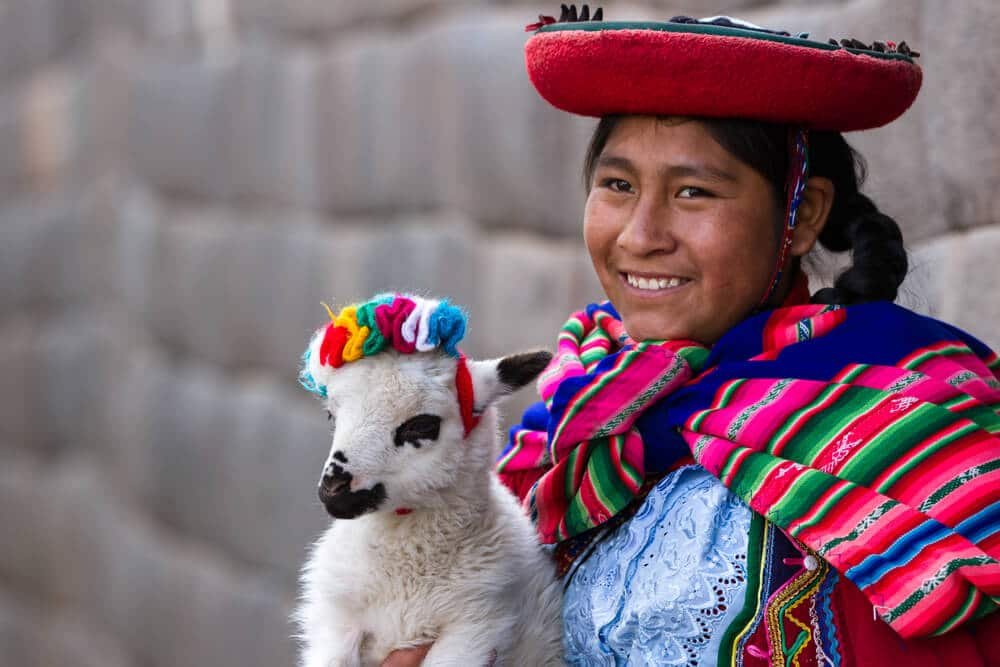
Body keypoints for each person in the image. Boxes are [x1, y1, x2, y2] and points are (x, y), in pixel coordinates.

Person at [385, 6, 1000, 665]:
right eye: (618, 185)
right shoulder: (570, 430)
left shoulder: (916, 425)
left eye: (693, 193)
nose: (642, 235)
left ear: (803, 215)